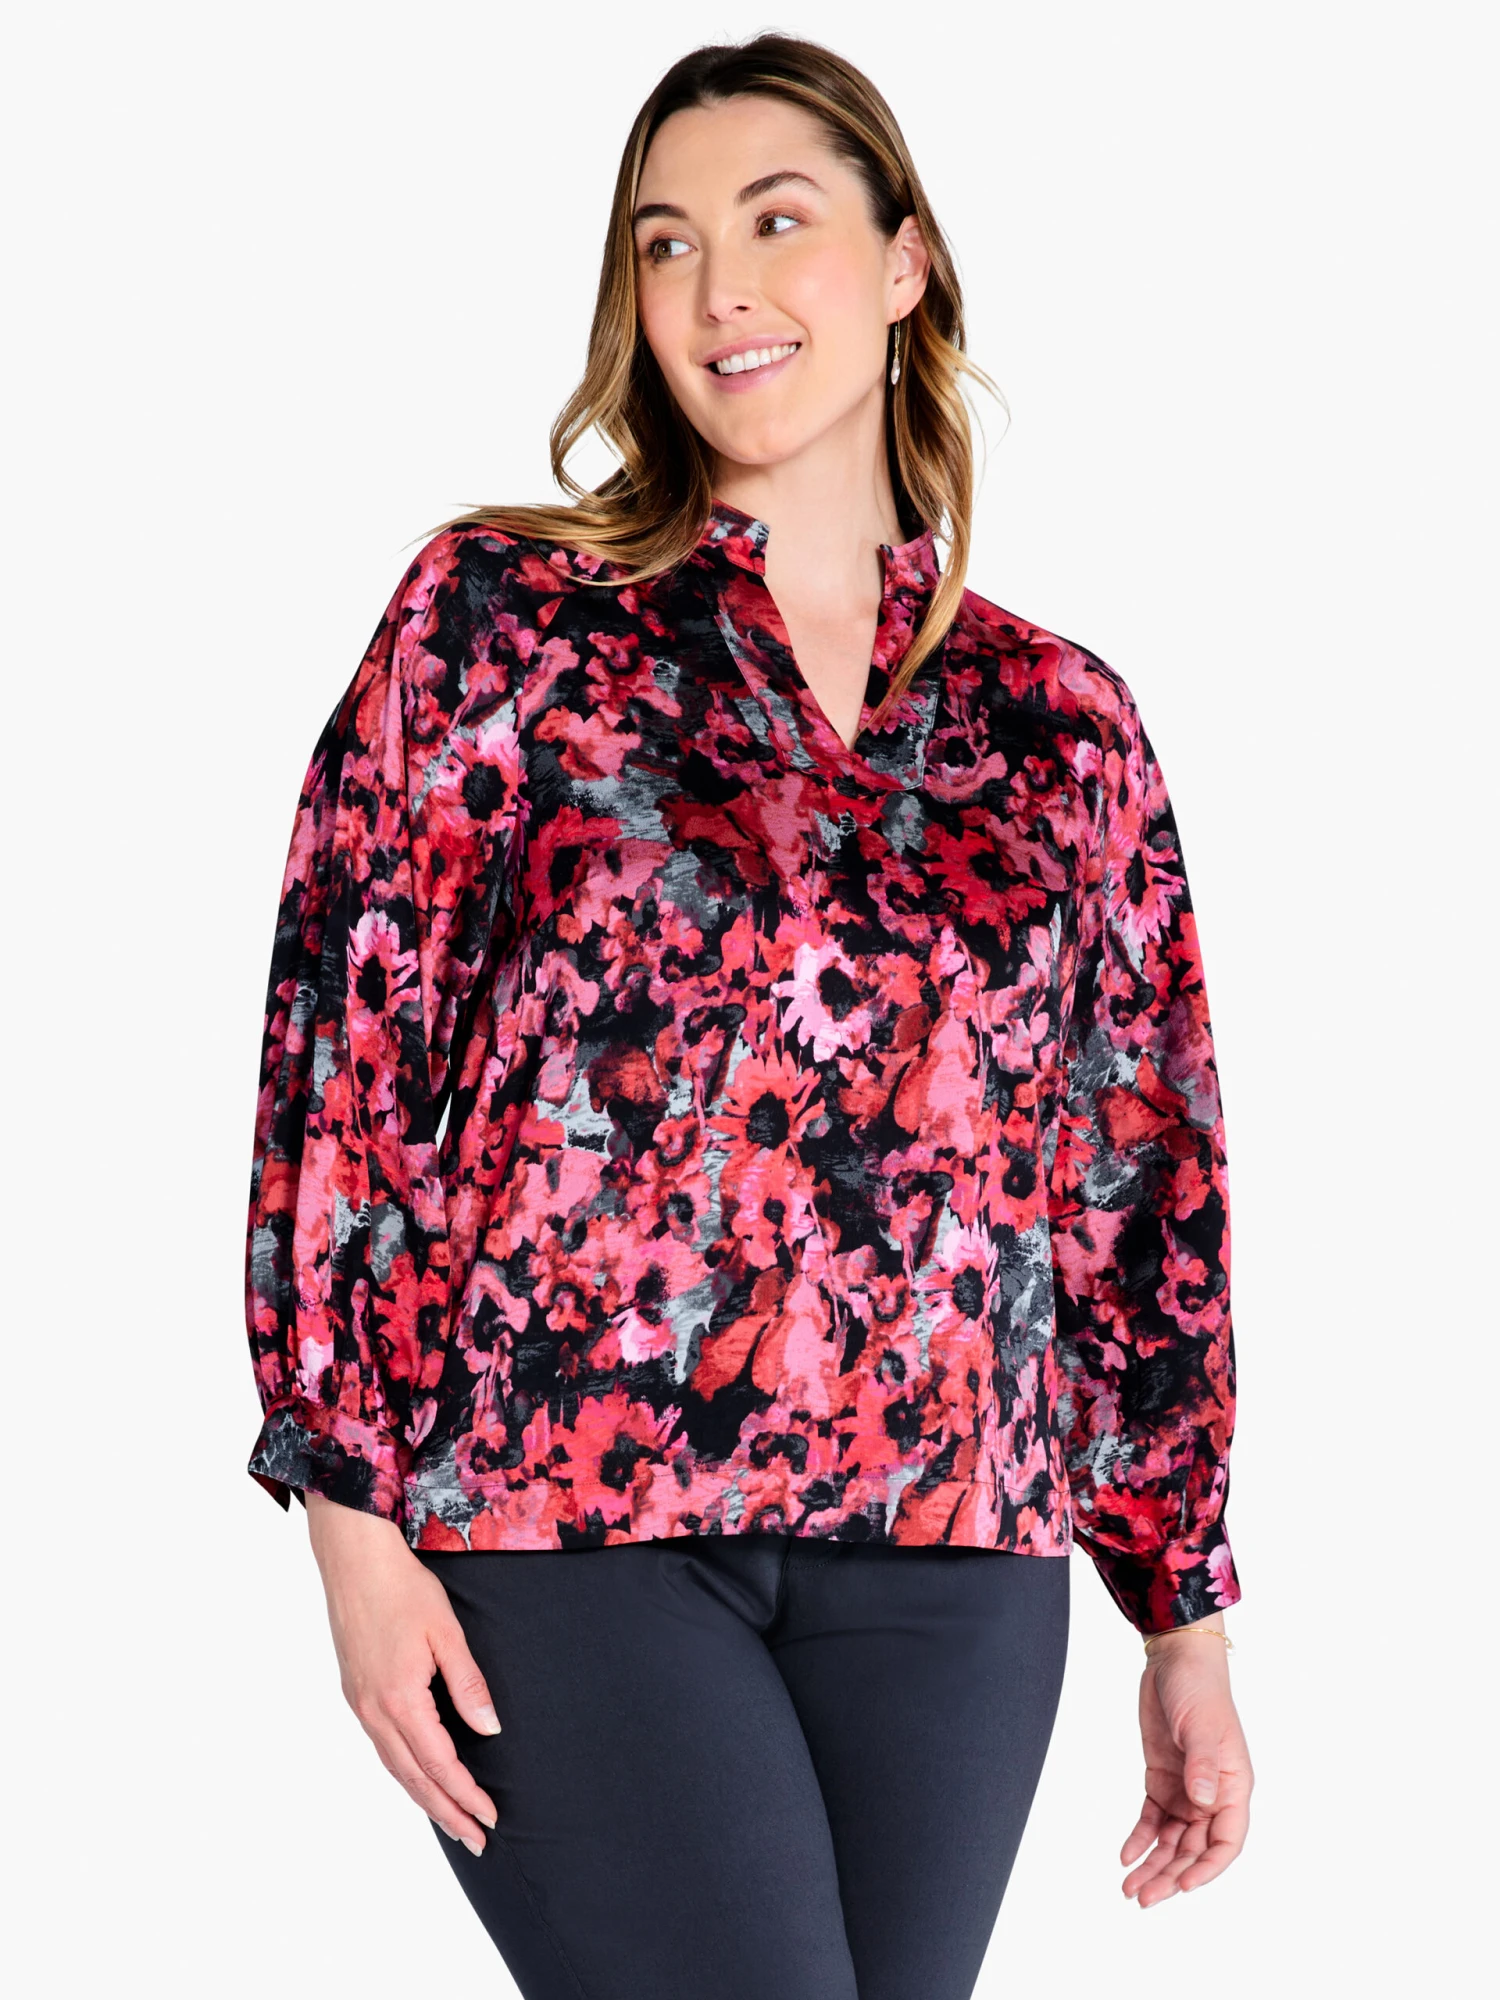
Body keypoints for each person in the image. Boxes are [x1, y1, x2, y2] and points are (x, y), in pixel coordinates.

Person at [241, 33, 1252, 2000]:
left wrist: (1185, 1615)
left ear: (905, 264)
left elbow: (1138, 1183)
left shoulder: (1063, 724)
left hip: (958, 1559)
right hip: (566, 1524)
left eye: (777, 222)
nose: (718, 289)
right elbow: (346, 1063)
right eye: (667, 243)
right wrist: (348, 1513)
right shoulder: (501, 622)